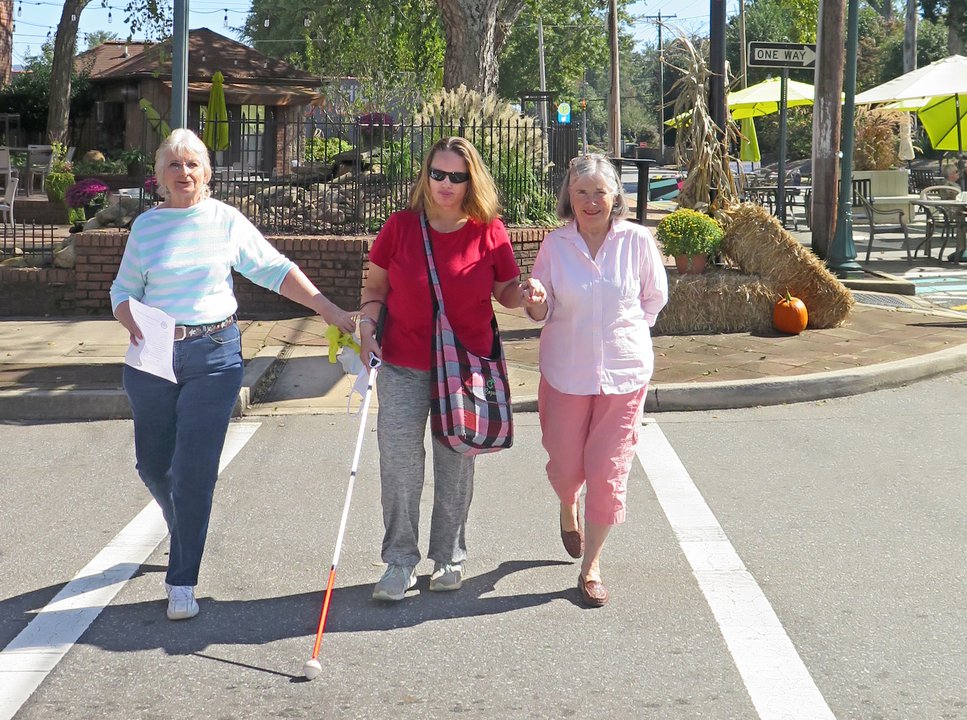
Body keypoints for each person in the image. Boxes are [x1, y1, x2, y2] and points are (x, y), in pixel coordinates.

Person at [110, 129, 355, 621]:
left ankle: (182, 579)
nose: (184, 173)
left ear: (207, 173)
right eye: (174, 166)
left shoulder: (225, 221)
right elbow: (121, 292)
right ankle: (179, 523)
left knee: (194, 473)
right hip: (154, 355)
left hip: (215, 354)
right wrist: (131, 320)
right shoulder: (146, 229)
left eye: (193, 164)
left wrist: (326, 307)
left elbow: (274, 269)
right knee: (154, 467)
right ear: (159, 178)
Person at [358, 136, 539, 602]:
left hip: (465, 366)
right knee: (399, 463)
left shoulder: (488, 230)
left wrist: (531, 296)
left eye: (457, 176)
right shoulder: (399, 227)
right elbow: (374, 288)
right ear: (425, 175)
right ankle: (399, 561)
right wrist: (365, 326)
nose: (445, 183)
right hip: (403, 361)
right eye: (437, 173)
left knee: (456, 460)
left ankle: (450, 555)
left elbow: (507, 290)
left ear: (470, 181)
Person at [523, 154, 668, 607]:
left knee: (608, 473)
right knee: (567, 466)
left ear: (615, 197)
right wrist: (536, 300)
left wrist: (625, 335)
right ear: (569, 196)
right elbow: (540, 311)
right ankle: (569, 505)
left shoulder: (637, 240)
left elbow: (653, 298)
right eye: (581, 192)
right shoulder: (555, 244)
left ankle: (591, 567)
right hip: (565, 373)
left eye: (599, 192)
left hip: (624, 375)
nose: (590, 201)